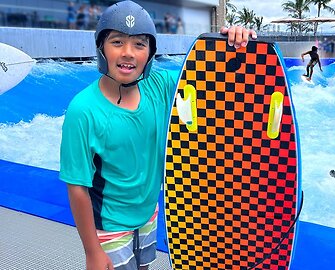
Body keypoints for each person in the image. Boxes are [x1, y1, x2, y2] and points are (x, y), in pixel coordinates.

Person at [59, 1, 257, 270]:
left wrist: (231, 41)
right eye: (117, 42)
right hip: (109, 225)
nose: (128, 53)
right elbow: (77, 187)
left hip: (149, 213)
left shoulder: (160, 85)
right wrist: (92, 251)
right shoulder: (83, 110)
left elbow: (213, 79)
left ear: (150, 52)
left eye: (139, 45)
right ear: (101, 48)